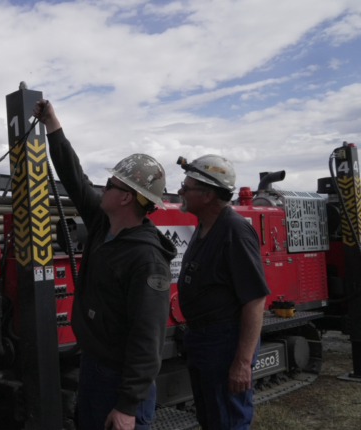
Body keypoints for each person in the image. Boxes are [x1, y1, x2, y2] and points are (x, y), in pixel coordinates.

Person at [34, 100, 176, 430]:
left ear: (127, 197)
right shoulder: (103, 223)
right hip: (95, 368)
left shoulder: (147, 260)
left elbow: (147, 339)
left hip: (120, 383)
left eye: (111, 184)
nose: (104, 187)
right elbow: (74, 178)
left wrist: (127, 406)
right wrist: (53, 125)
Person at [176, 154, 270, 429]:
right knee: (211, 419)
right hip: (203, 340)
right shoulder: (206, 226)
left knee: (227, 421)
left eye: (187, 186)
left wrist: (242, 362)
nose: (180, 191)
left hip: (224, 343)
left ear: (206, 195)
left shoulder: (234, 231)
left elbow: (254, 300)